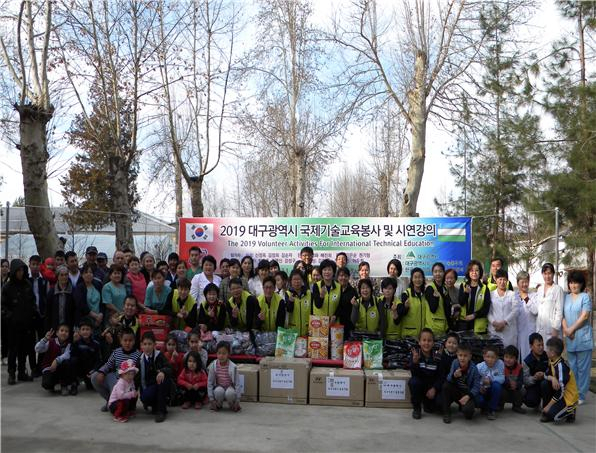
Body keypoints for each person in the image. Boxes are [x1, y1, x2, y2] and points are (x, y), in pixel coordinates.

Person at [1, 259, 39, 384]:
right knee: (13, 350)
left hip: (26, 324)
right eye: (18, 270)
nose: (20, 273)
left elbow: (33, 301)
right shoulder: (8, 287)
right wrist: (10, 317)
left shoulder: (27, 285)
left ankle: (22, 372)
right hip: (13, 325)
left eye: (22, 270)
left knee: (24, 350)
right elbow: (3, 307)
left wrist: (33, 314)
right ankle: (12, 373)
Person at [91, 328, 141, 412]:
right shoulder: (116, 352)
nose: (127, 343)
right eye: (125, 340)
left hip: (127, 384)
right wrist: (102, 372)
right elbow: (108, 364)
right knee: (95, 377)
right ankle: (109, 400)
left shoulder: (138, 355)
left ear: (134, 341)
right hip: (115, 379)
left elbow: (138, 373)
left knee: (117, 409)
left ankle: (117, 403)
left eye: (130, 340)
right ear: (120, 341)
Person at [561, 271, 593, 405]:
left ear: (581, 284)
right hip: (570, 338)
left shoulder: (585, 297)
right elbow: (562, 316)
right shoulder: (566, 297)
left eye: (577, 282)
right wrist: (566, 330)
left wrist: (571, 329)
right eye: (571, 282)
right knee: (572, 369)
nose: (574, 285)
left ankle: (581, 395)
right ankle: (573, 393)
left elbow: (585, 316)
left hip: (582, 338)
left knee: (583, 369)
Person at [135, 331, 173, 423]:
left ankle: (161, 411)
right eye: (145, 344)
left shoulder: (159, 355)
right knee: (145, 397)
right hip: (148, 387)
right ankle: (154, 405)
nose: (147, 347)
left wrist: (163, 372)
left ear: (154, 345)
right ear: (141, 345)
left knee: (162, 380)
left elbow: (169, 368)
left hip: (161, 384)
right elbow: (136, 379)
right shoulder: (140, 360)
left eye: (150, 344)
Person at [540, 337, 579, 423]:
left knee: (555, 418)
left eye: (547, 349)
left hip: (567, 396)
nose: (545, 351)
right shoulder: (552, 360)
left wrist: (549, 406)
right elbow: (545, 375)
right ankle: (548, 410)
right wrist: (553, 378)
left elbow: (561, 391)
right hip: (560, 393)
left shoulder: (561, 367)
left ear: (553, 353)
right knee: (544, 384)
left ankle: (571, 409)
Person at [442, 343, 481, 423]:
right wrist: (454, 376)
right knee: (446, 385)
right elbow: (448, 378)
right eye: (460, 355)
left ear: (470, 356)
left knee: (469, 414)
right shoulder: (455, 363)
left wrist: (468, 396)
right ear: (457, 355)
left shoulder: (474, 368)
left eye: (465, 356)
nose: (462, 358)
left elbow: (477, 386)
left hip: (466, 393)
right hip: (456, 391)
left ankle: (462, 406)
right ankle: (446, 413)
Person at [408, 328, 441, 419]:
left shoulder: (437, 356)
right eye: (424, 340)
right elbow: (414, 374)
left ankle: (427, 403)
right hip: (420, 385)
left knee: (436, 408)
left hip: (431, 387)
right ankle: (417, 408)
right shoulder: (415, 354)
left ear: (433, 343)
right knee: (413, 382)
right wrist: (415, 363)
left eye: (429, 341)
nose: (426, 343)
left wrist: (434, 388)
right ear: (419, 342)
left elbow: (440, 376)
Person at [35, 324, 73, 395]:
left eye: (66, 331)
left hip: (61, 368)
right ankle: (52, 384)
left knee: (67, 363)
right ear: (57, 333)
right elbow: (38, 349)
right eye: (62, 330)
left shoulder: (69, 344)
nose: (64, 333)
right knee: (46, 384)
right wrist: (45, 339)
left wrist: (56, 360)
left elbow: (67, 355)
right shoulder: (50, 341)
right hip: (49, 368)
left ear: (68, 334)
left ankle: (64, 385)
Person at [456, 260, 491, 334]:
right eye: (471, 270)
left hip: (479, 326)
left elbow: (486, 308)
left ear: (480, 272)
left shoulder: (485, 288)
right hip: (464, 324)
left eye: (477, 270)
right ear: (468, 272)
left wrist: (474, 315)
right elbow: (461, 303)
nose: (474, 273)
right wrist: (466, 293)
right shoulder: (463, 286)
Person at [45, 265, 82, 334]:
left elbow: (77, 310)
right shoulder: (52, 292)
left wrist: (76, 326)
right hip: (55, 327)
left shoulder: (73, 291)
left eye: (66, 275)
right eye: (61, 275)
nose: (64, 277)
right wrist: (48, 328)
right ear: (57, 277)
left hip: (70, 327)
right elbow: (48, 311)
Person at [488, 269, 518, 348]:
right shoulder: (491, 294)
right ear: (496, 280)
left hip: (509, 331)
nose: (502, 282)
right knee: (495, 353)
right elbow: (488, 311)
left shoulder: (513, 294)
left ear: (507, 281)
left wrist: (504, 322)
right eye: (500, 279)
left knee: (509, 355)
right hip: (494, 330)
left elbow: (515, 310)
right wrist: (494, 323)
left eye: (504, 279)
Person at [207, 341, 241, 412]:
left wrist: (238, 400)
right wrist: (211, 399)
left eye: (224, 353)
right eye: (219, 353)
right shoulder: (213, 365)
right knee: (218, 391)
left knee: (230, 393)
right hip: (219, 387)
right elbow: (209, 382)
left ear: (228, 354)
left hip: (230, 387)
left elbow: (237, 384)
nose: (221, 356)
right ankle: (218, 405)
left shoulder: (233, 367)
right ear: (216, 353)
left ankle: (233, 405)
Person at [70, 317, 101, 394]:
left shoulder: (96, 344)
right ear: (79, 331)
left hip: (90, 371)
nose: (85, 331)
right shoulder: (76, 342)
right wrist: (74, 342)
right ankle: (74, 384)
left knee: (91, 387)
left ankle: (89, 381)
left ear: (91, 331)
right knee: (73, 360)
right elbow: (72, 355)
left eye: (87, 329)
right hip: (80, 369)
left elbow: (98, 360)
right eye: (83, 329)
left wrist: (93, 371)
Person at [28, 254, 48, 376]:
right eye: (33, 264)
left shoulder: (44, 280)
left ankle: (41, 365)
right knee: (30, 342)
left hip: (42, 315)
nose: (35, 267)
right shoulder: (26, 280)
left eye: (37, 264)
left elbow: (46, 296)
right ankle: (33, 367)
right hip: (30, 315)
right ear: (29, 265)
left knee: (42, 340)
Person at [535, 263, 564, 342]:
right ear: (542, 274)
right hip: (540, 329)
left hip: (552, 330)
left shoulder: (558, 289)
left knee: (551, 353)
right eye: (545, 274)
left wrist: (555, 329)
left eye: (549, 273)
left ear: (553, 274)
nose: (547, 276)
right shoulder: (539, 289)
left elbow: (559, 311)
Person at [476, 346, 505, 420]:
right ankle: (485, 407)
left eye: (493, 357)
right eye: (488, 357)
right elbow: (474, 380)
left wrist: (491, 380)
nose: (490, 359)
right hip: (483, 390)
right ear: (484, 357)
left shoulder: (500, 364)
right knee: (479, 400)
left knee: (497, 386)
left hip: (492, 388)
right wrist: (480, 386)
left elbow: (502, 378)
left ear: (497, 358)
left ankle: (492, 410)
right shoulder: (479, 367)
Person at [396, 268, 426, 339]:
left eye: (420, 277)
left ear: (423, 279)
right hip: (409, 335)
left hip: (422, 335)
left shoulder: (425, 295)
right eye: (415, 277)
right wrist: (405, 307)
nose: (418, 280)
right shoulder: (406, 294)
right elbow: (401, 313)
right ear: (411, 279)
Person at [73, 263, 103, 332]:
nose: (89, 274)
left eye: (91, 272)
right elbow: (81, 305)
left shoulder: (98, 285)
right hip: (84, 322)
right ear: (82, 275)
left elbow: (102, 302)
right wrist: (95, 316)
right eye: (86, 272)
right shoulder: (79, 288)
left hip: (98, 320)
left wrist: (100, 314)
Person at [515, 271, 538, 361]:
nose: (524, 284)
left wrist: (526, 298)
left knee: (528, 360)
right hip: (516, 334)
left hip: (529, 333)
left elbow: (535, 311)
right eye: (522, 282)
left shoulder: (534, 296)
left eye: (526, 282)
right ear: (517, 283)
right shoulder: (513, 296)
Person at [522, 333, 549, 409]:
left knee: (545, 384)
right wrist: (534, 377)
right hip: (534, 385)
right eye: (538, 345)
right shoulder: (527, 361)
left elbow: (554, 371)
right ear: (531, 346)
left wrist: (544, 374)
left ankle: (546, 407)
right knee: (530, 400)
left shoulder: (548, 356)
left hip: (547, 383)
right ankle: (536, 403)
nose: (541, 348)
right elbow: (525, 380)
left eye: (542, 345)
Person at [424, 262, 451, 337]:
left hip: (444, 327)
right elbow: (433, 309)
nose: (438, 274)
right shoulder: (430, 288)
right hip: (433, 328)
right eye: (435, 272)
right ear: (432, 273)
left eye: (440, 271)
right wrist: (436, 298)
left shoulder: (444, 288)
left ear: (443, 273)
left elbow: (446, 307)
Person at [285, 270, 312, 337]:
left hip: (307, 332)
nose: (297, 282)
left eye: (299, 279)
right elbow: (288, 310)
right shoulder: (288, 294)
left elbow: (313, 311)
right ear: (291, 281)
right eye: (294, 279)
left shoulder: (308, 293)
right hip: (292, 332)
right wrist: (290, 302)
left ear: (302, 280)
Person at [501, 345, 526, 414]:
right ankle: (500, 405)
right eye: (506, 357)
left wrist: (516, 385)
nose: (508, 360)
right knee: (501, 390)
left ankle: (517, 406)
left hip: (515, 389)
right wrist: (508, 383)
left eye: (511, 358)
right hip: (505, 388)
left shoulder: (519, 368)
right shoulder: (501, 366)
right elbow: (500, 379)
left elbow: (521, 381)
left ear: (516, 359)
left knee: (522, 390)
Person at [336, 268, 357, 338]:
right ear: (337, 277)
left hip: (348, 325)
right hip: (334, 324)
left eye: (346, 276)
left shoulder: (353, 291)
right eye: (341, 275)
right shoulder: (333, 290)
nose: (343, 278)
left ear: (348, 277)